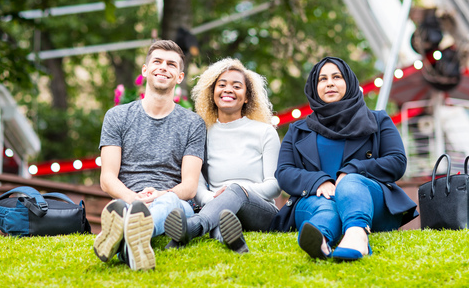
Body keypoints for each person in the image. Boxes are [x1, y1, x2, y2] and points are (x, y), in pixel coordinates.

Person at [269, 57, 418, 261]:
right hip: (315, 200)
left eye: (336, 77)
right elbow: (284, 172)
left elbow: (397, 161)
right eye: (322, 79)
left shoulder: (378, 120)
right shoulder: (298, 130)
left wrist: (351, 171)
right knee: (325, 206)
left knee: (350, 182)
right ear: (315, 87)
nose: (329, 83)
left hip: (369, 201)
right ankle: (319, 238)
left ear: (349, 82)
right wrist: (318, 181)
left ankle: (357, 234)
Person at [93, 40, 206, 270]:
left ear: (180, 76)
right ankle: (133, 238)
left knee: (168, 202)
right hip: (128, 198)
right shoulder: (117, 117)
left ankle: (126, 232)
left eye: (171, 64)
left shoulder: (193, 123)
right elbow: (107, 178)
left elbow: (190, 186)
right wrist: (134, 199)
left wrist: (159, 195)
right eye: (157, 62)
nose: (163, 67)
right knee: (124, 206)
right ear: (145, 70)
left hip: (175, 202)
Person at [163, 58, 281, 253]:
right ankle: (233, 241)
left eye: (237, 86)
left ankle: (192, 227)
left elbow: (274, 186)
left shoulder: (265, 132)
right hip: (218, 208)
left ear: (247, 97)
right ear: (212, 93)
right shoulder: (201, 133)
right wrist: (212, 200)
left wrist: (238, 191)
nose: (228, 89)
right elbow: (197, 182)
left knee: (234, 191)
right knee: (224, 215)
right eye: (222, 85)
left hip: (260, 210)